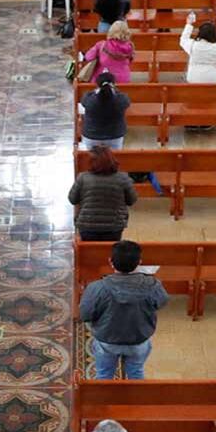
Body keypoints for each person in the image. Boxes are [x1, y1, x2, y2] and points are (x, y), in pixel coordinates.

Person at [80, 239, 167, 378]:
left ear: (110, 261)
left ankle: (103, 398)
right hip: (138, 338)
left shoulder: (97, 287)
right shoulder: (153, 285)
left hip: (107, 339)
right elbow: (161, 302)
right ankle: (134, 398)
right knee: (136, 372)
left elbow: (85, 314)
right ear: (139, 262)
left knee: (103, 374)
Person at [70, 147, 138, 244]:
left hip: (87, 225)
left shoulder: (83, 177)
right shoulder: (123, 178)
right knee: (110, 250)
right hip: (114, 225)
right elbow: (132, 200)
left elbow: (72, 199)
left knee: (89, 252)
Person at [81, 78, 131, 152]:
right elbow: (126, 100)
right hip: (115, 135)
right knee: (115, 157)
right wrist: (114, 90)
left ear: (97, 86)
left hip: (91, 136)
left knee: (91, 157)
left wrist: (96, 90)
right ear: (113, 85)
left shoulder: (89, 99)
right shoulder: (120, 100)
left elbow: (85, 98)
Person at [180, 16, 216, 84]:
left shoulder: (192, 44)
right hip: (212, 78)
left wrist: (189, 24)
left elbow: (183, 40)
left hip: (193, 78)